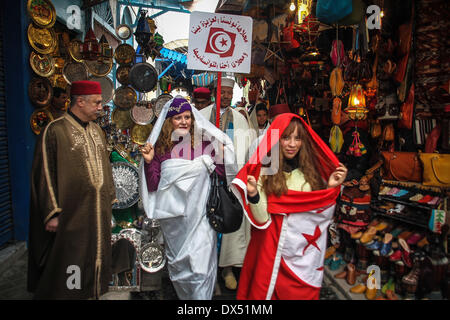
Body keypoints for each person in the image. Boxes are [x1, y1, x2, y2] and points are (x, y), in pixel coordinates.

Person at [231, 113, 348, 300]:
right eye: (286, 138)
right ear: (277, 139)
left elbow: (317, 215)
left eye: (297, 138)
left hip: (301, 259)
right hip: (270, 256)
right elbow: (262, 220)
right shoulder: (264, 171)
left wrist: (331, 188)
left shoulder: (310, 173)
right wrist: (253, 194)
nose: (292, 144)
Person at [139, 97, 238, 300]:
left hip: (202, 219)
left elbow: (220, 175)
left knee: (201, 270)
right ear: (169, 122)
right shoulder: (159, 150)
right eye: (178, 118)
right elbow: (154, 186)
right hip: (175, 225)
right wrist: (149, 162)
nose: (184, 121)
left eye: (187, 117)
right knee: (181, 271)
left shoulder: (204, 144)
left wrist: (221, 156)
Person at [28, 80, 116, 299]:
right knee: (72, 260)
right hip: (70, 215)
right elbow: (44, 171)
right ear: (80, 102)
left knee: (94, 256)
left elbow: (105, 167)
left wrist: (109, 201)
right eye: (96, 103)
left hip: (95, 212)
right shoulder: (55, 130)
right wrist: (53, 211)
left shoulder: (97, 130)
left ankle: (90, 293)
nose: (100, 107)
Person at [200, 77, 255, 290]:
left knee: (230, 224)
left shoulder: (240, 120)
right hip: (205, 181)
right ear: (215, 92)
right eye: (222, 92)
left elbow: (247, 150)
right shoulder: (202, 116)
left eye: (229, 93)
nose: (226, 96)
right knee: (206, 226)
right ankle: (206, 269)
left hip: (231, 182)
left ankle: (227, 268)